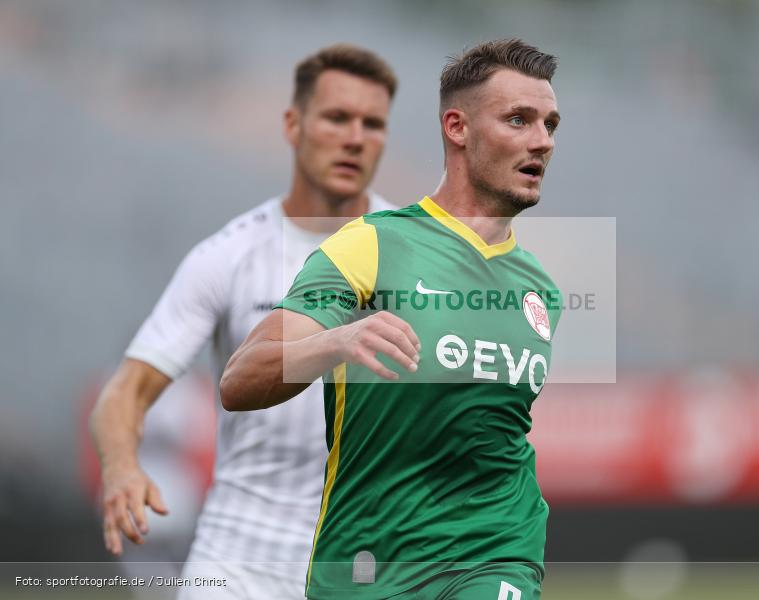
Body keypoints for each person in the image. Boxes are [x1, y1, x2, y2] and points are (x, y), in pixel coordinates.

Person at [220, 39, 562, 599]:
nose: (541, 142)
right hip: (369, 562)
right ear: (458, 128)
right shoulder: (373, 245)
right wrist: (336, 340)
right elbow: (240, 380)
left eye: (549, 124)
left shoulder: (540, 290)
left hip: (497, 551)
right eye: (518, 120)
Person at [89, 44, 398, 600]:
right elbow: (125, 392)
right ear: (292, 124)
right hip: (238, 560)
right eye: (336, 117)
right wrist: (120, 469)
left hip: (364, 559)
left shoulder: (415, 253)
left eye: (372, 124)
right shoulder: (228, 255)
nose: (355, 137)